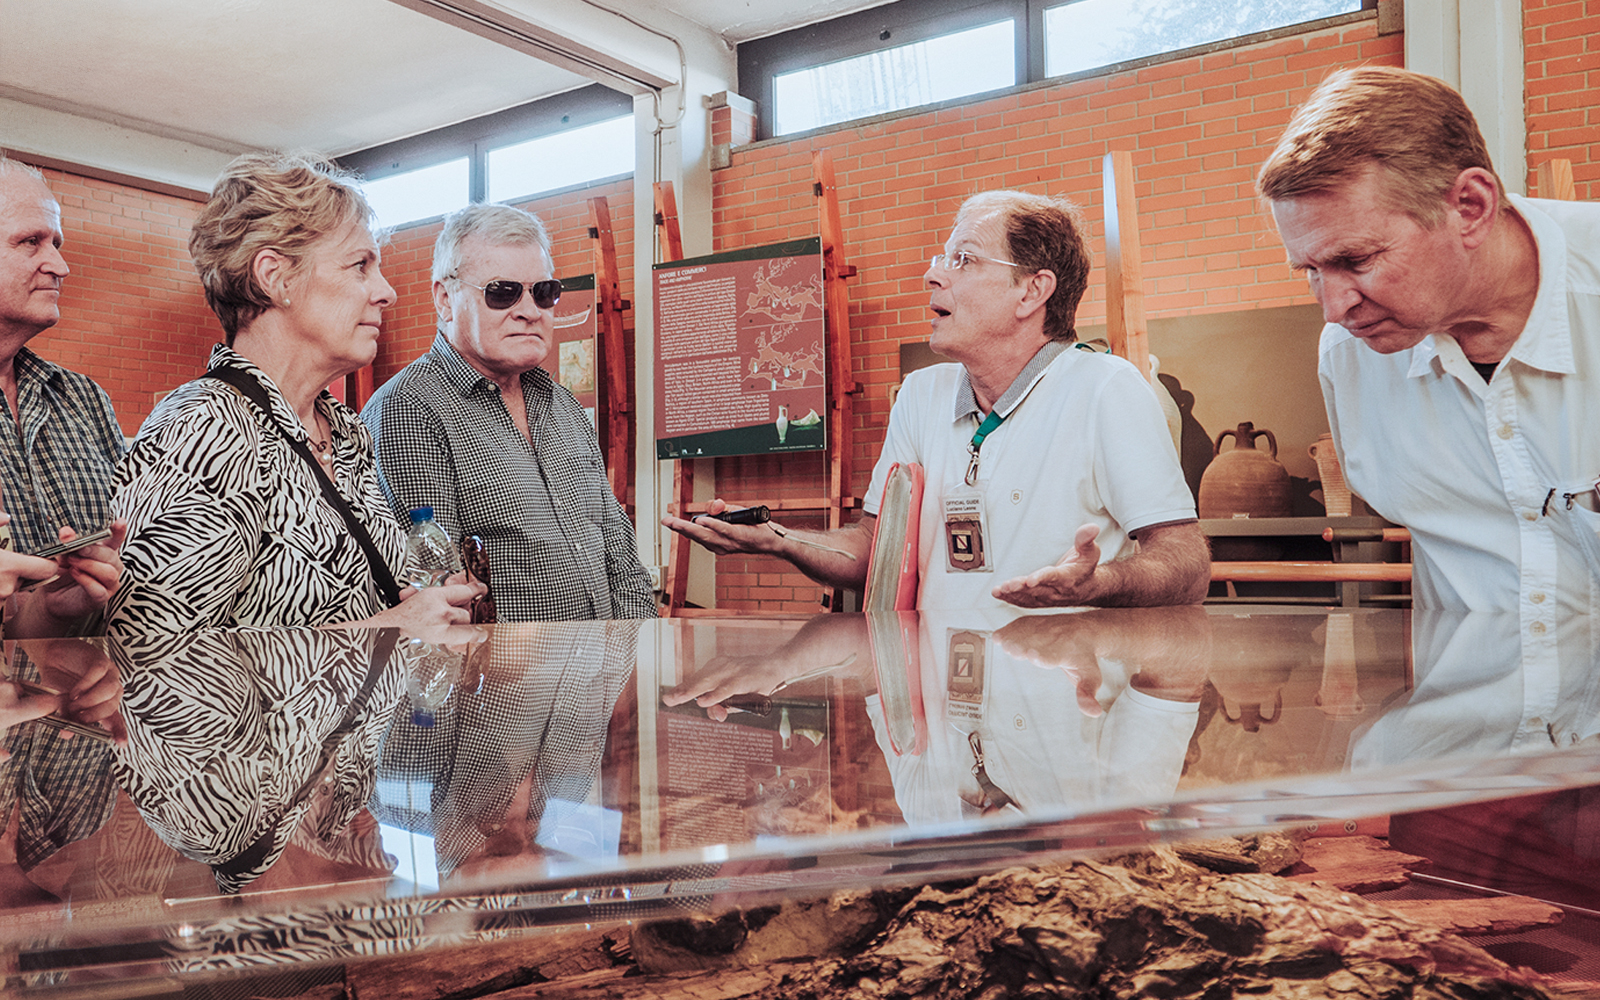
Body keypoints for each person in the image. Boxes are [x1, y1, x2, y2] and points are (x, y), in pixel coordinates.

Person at [664, 191, 1210, 610]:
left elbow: (1186, 562)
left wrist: (1101, 583)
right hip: (940, 718)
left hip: (1058, 710)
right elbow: (872, 546)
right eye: (942, 258)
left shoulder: (1105, 388)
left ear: (1031, 291)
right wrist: (779, 539)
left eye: (963, 259)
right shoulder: (922, 396)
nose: (932, 275)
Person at [1258, 66, 1600, 614]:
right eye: (1311, 270)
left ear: (1470, 207)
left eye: (1356, 260)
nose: (1334, 308)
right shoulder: (1350, 359)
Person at [109, 152, 479, 633]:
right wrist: (392, 628)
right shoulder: (202, 433)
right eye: (359, 266)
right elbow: (154, 663)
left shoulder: (345, 430)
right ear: (275, 277)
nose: (387, 292)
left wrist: (427, 603)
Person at [361, 203, 656, 622]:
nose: (530, 311)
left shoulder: (563, 405)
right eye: (503, 292)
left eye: (544, 292)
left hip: (608, 678)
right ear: (445, 299)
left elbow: (621, 559)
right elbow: (441, 596)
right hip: (502, 685)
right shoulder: (409, 409)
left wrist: (644, 664)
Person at [0, 158, 126, 638]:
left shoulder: (83, 399)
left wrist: (55, 607)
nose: (61, 265)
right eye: (31, 241)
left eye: (56, 243)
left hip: (76, 699)